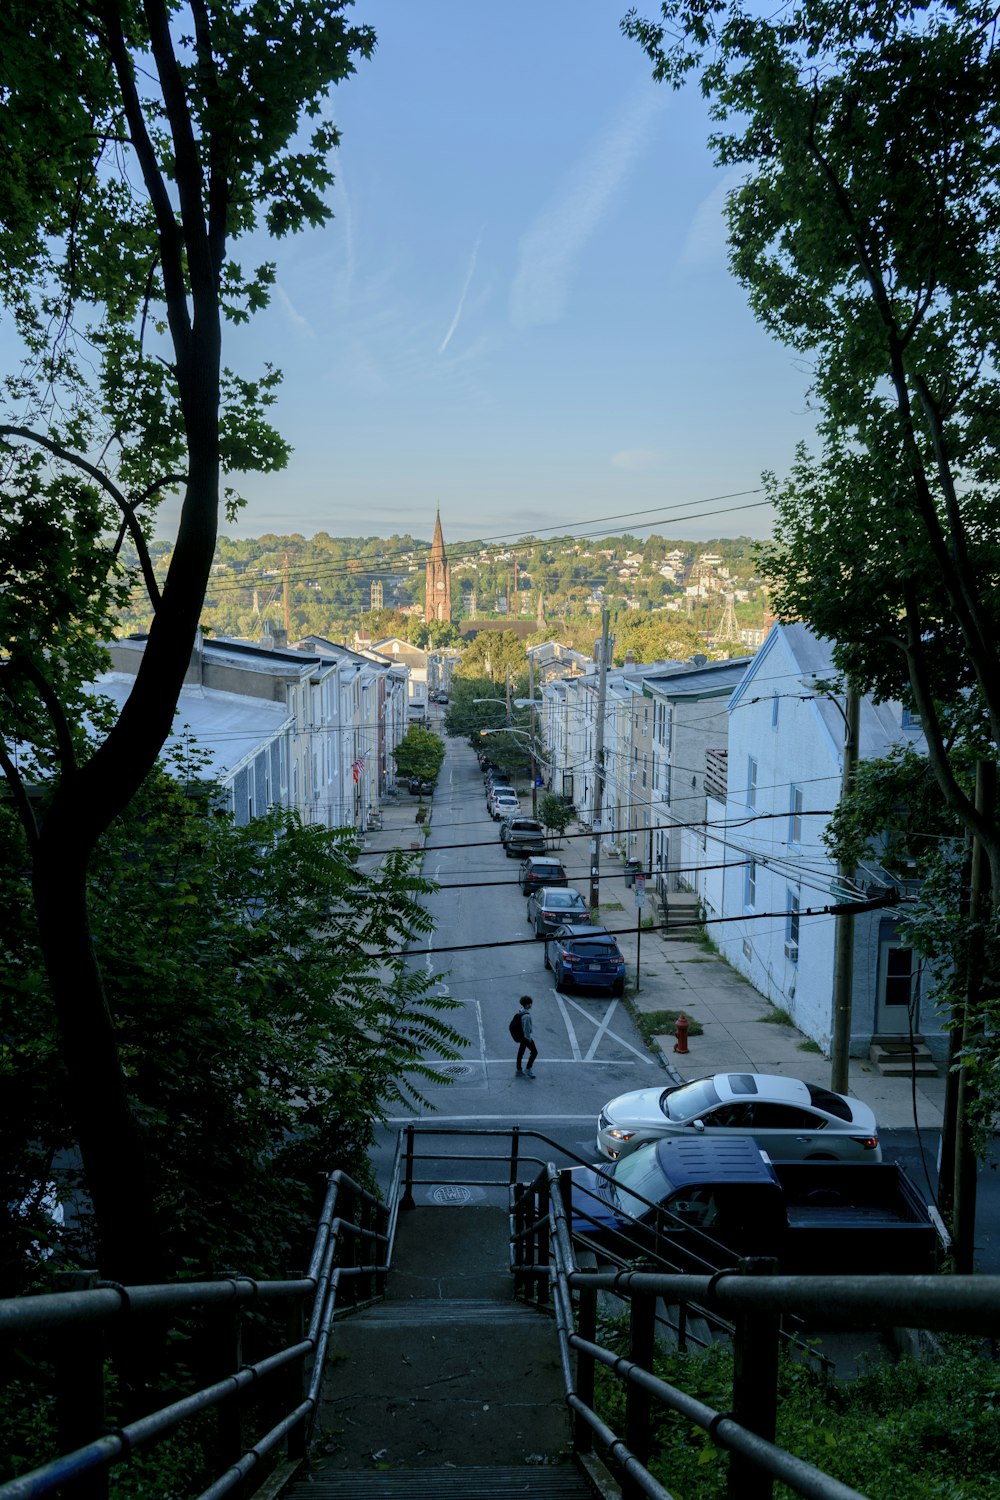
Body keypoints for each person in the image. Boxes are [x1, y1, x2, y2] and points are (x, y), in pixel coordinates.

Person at [515, 994, 537, 1078]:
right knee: (534, 1052)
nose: (531, 1005)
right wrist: (529, 1039)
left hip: (521, 1037)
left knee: (521, 1053)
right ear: (527, 1004)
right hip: (525, 1038)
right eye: (530, 1003)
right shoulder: (526, 1016)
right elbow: (527, 1030)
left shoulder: (521, 1010)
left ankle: (519, 1070)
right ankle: (528, 1068)